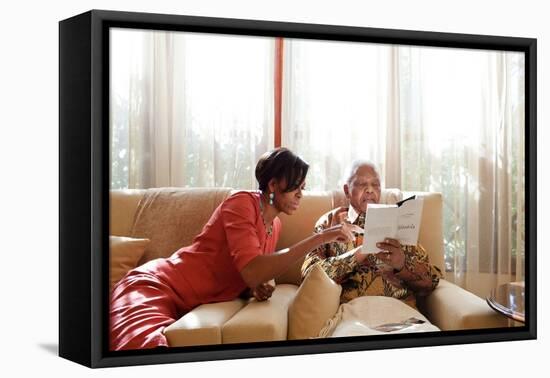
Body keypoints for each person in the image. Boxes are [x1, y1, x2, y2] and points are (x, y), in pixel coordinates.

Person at [110, 147, 362, 351]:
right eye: (295, 186)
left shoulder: (274, 224)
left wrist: (254, 286)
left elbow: (251, 272)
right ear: (273, 185)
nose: (300, 195)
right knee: (144, 350)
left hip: (184, 302)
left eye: (303, 188)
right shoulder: (242, 203)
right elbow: (252, 270)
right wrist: (320, 238)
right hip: (155, 286)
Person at [301, 160, 442, 309]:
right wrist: (356, 255)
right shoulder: (330, 222)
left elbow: (431, 281)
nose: (370, 190)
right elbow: (309, 275)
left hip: (401, 313)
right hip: (352, 312)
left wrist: (402, 266)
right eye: (361, 184)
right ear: (347, 190)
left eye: (375, 185)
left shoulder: (399, 221)